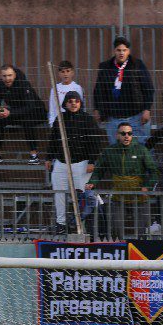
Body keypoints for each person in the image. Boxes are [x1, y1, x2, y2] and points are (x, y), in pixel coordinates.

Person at [86, 122, 158, 238]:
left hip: (139, 197)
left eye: (129, 133)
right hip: (119, 197)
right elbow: (99, 170)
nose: (126, 136)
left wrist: (147, 186)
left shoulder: (141, 150)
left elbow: (154, 171)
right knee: (115, 229)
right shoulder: (110, 151)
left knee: (142, 232)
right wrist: (92, 183)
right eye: (123, 133)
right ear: (117, 135)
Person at [46, 91, 103, 235]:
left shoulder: (88, 119)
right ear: (65, 103)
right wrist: (48, 157)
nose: (73, 103)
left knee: (83, 196)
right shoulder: (60, 119)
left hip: (81, 164)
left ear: (80, 103)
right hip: (61, 163)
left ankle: (84, 224)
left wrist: (92, 161)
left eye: (76, 101)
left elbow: (95, 142)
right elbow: (53, 140)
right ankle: (61, 223)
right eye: (70, 101)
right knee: (59, 193)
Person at [93, 36, 155, 144]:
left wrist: (147, 109)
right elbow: (98, 90)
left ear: (128, 51)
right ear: (114, 51)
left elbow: (148, 88)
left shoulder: (137, 65)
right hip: (113, 117)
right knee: (115, 149)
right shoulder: (105, 67)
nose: (121, 53)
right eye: (118, 50)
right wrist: (97, 109)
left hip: (136, 116)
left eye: (124, 50)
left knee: (142, 147)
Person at [0, 64, 44, 165]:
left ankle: (34, 155)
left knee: (28, 120)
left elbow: (30, 106)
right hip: (16, 112)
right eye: (4, 76)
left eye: (10, 75)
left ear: (14, 75)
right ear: (1, 76)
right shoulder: (0, 85)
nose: (7, 78)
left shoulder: (23, 83)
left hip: (37, 112)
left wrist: (10, 112)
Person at [48, 60, 84, 126]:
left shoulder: (77, 88)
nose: (65, 74)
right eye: (63, 72)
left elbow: (81, 107)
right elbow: (52, 108)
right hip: (58, 123)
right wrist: (52, 123)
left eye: (68, 71)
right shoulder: (55, 88)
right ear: (59, 74)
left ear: (72, 72)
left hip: (73, 123)